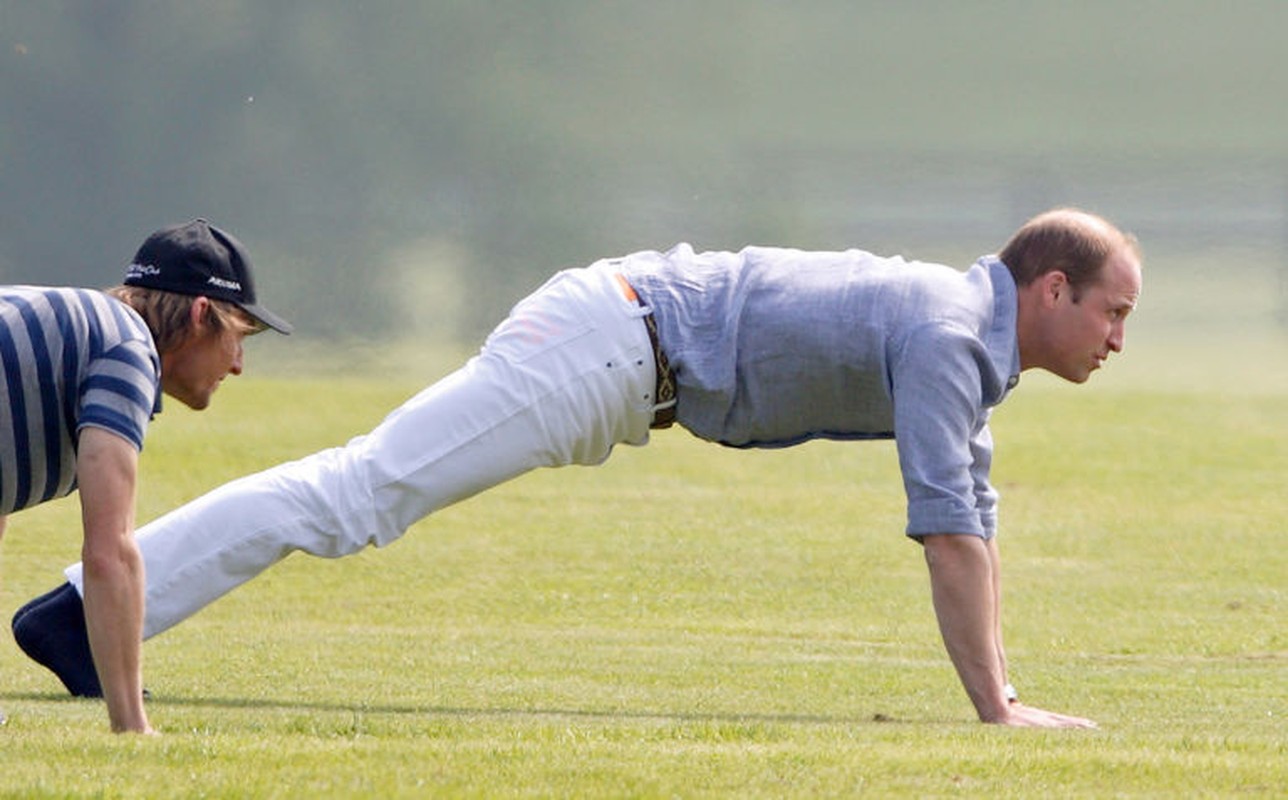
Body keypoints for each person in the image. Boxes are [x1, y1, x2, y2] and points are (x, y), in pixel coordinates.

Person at [13, 208, 1140, 728]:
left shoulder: (962, 334)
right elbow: (950, 531)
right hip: (608, 344)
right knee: (361, 495)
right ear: (1050, 289)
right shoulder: (951, 333)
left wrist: (1003, 699)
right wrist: (998, 711)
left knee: (361, 492)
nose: (1116, 339)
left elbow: (971, 516)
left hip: (617, 345)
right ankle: (74, 618)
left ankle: (74, 614)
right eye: (1111, 311)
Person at [1, 219, 291, 733]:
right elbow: (109, 552)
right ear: (203, 314)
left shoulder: (81, 333)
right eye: (241, 335)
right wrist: (132, 726)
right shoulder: (125, 351)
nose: (240, 364)